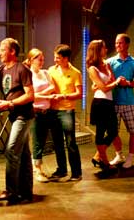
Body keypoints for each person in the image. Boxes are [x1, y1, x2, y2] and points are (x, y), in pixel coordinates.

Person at [0, 38, 34, 204]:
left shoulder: (22, 69)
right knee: (23, 154)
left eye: (2, 49)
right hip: (13, 116)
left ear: (12, 52)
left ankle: (11, 191)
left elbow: (30, 95)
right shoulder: (0, 70)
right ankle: (26, 192)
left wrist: (10, 103)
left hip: (24, 116)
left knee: (11, 150)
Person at [48, 44, 83, 181]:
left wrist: (64, 96)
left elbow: (79, 94)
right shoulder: (51, 70)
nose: (55, 60)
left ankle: (76, 172)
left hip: (67, 110)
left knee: (70, 142)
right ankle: (61, 170)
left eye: (58, 58)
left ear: (66, 58)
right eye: (55, 57)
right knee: (57, 142)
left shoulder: (75, 72)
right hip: (53, 110)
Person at [108, 33, 134, 169]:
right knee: (112, 132)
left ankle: (130, 157)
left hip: (129, 102)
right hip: (113, 102)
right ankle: (119, 155)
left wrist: (126, 83)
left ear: (127, 44)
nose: (117, 45)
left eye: (120, 43)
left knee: (133, 131)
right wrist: (115, 82)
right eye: (116, 43)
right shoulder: (109, 62)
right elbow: (106, 80)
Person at [86, 40, 121, 172]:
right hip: (100, 102)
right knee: (100, 132)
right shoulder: (92, 68)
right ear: (97, 50)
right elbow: (104, 88)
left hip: (109, 102)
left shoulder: (106, 64)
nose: (106, 50)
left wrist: (110, 82)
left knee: (113, 132)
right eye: (104, 48)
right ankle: (105, 162)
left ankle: (98, 156)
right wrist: (116, 82)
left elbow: (108, 81)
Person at [23, 48, 55, 183]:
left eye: (42, 59)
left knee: (42, 141)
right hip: (35, 112)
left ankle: (36, 166)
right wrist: (44, 95)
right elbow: (31, 96)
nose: (42, 61)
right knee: (36, 141)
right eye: (38, 59)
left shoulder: (46, 73)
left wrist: (40, 95)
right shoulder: (27, 74)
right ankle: (38, 169)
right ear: (31, 60)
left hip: (46, 111)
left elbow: (53, 87)